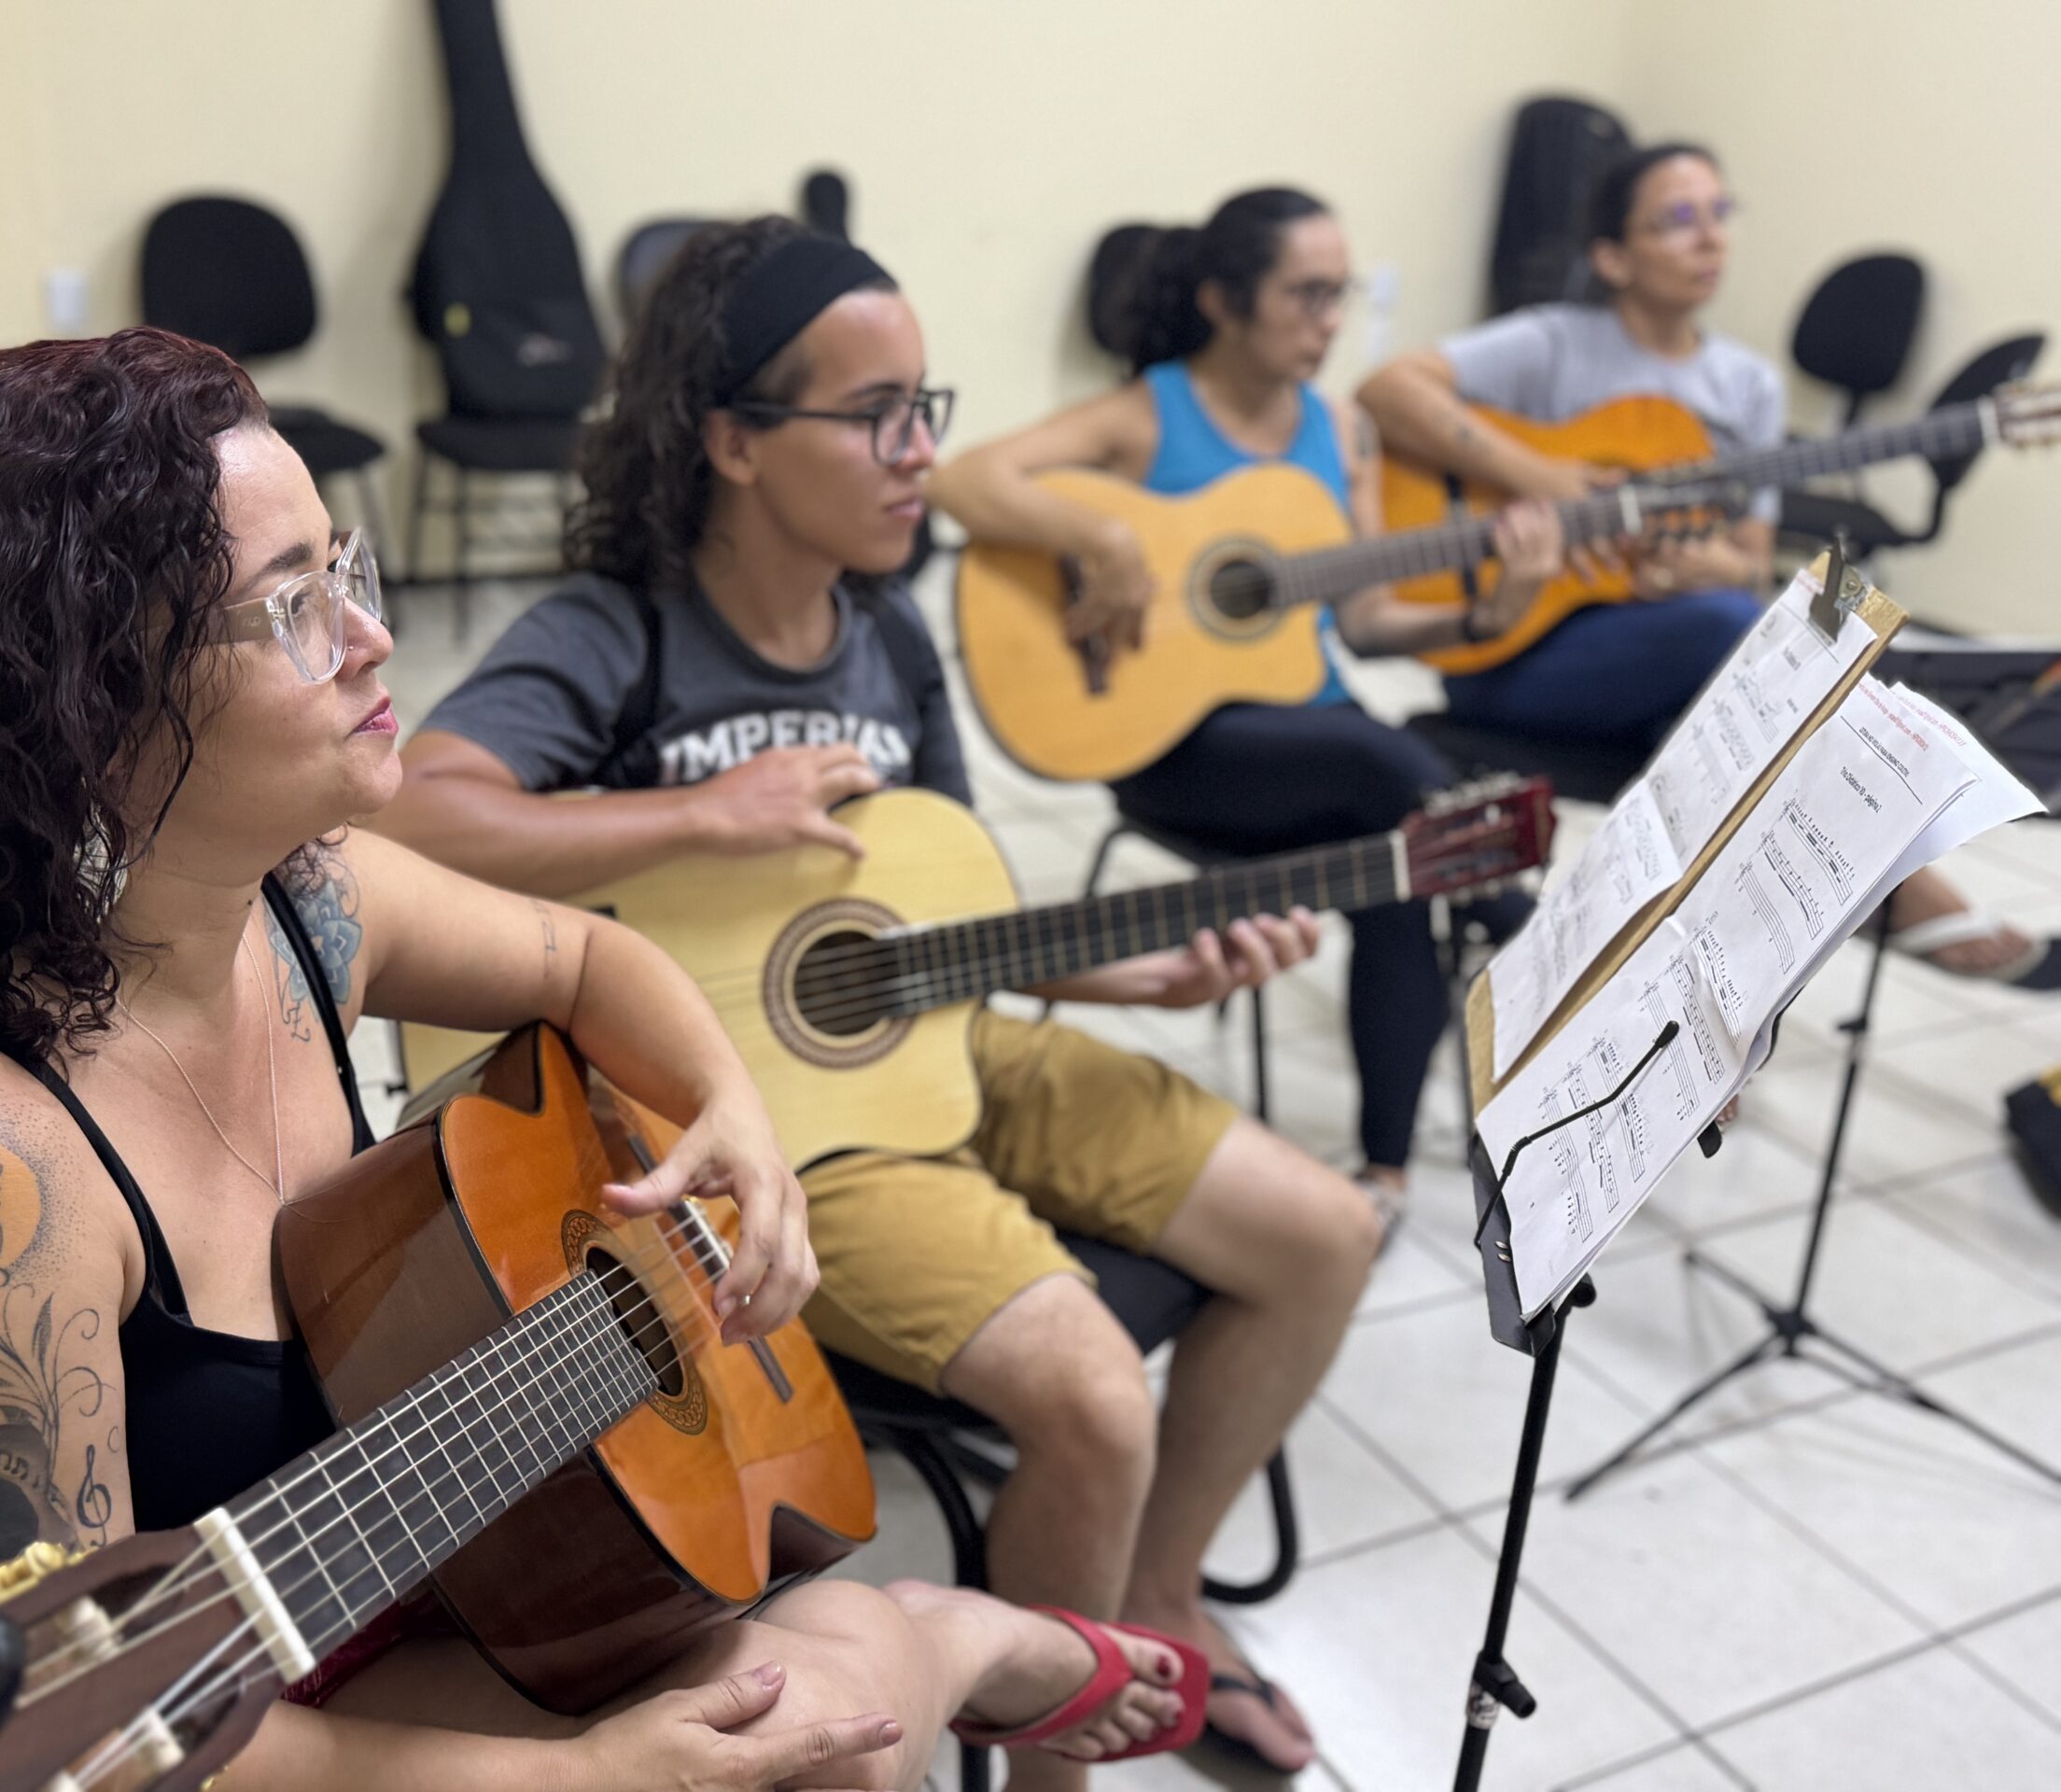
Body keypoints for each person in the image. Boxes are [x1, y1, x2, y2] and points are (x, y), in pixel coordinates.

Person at [0, 328, 1211, 1792]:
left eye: (343, 568)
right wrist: (584, 1775)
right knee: (824, 1714)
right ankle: (957, 1646)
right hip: (120, 1745)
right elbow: (83, 1742)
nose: (376, 634)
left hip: (327, 1597)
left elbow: (588, 958)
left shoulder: (300, 896)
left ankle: (931, 1644)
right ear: (89, 701)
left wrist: (733, 1121)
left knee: (811, 1720)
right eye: (293, 604)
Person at [371, 220, 1378, 1779]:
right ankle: (1062, 1752)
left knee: (1325, 1232)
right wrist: (701, 814)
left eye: (931, 409)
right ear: (735, 443)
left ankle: (1167, 1596)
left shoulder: (893, 631)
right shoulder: (615, 630)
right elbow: (409, 815)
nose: (923, 455)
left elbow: (942, 907)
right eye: (878, 414)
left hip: (942, 1033)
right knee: (1095, 1398)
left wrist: (1142, 968)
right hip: (770, 1131)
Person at [928, 187, 1565, 1216]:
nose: (1328, 321)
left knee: (1395, 850)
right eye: (1304, 295)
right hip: (1178, 747)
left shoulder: (1343, 428)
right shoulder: (1149, 410)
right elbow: (961, 478)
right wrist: (1101, 537)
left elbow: (1364, 623)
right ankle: (1549, 942)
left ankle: (1384, 1175)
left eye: (1338, 295)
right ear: (1224, 300)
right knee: (1391, 771)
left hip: (1314, 739)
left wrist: (1491, 613)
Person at [1359, 143, 2059, 988]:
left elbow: (1745, 565)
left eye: (1719, 215)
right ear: (1613, 256)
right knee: (1740, 645)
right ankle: (1893, 883)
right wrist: (1548, 484)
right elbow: (1388, 388)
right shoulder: (1553, 343)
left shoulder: (1746, 386)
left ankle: (1676, 990)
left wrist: (1684, 568)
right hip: (1510, 648)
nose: (1709, 240)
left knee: (1771, 659)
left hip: (1664, 653)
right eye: (1677, 220)